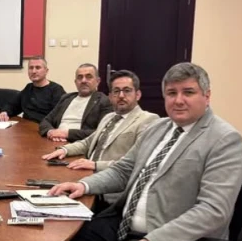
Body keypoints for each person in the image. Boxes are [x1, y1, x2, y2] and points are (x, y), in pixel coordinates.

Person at [48, 62, 242, 241]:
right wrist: (84, 185)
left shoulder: (224, 139)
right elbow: (124, 169)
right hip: (128, 221)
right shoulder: (159, 128)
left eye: (188, 92)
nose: (178, 100)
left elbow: (213, 211)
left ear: (207, 95)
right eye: (172, 93)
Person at [43, 69, 158, 209]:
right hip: (85, 178)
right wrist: (64, 150)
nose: (121, 96)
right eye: (116, 91)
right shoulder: (109, 117)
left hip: (110, 194)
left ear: (138, 95)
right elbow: (88, 142)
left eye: (127, 91)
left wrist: (95, 165)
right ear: (110, 96)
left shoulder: (148, 120)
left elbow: (136, 164)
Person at [38, 63, 112, 142]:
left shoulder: (104, 101)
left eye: (88, 77)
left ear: (97, 81)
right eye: (80, 77)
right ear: (75, 82)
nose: (83, 81)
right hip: (54, 140)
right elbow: (46, 121)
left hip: (79, 144)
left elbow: (103, 132)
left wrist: (67, 134)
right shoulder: (66, 98)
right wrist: (50, 132)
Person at [0, 57, 66, 123]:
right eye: (31, 68)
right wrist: (5, 112)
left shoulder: (56, 90)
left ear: (46, 71)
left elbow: (57, 118)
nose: (33, 71)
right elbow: (13, 105)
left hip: (43, 128)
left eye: (38, 68)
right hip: (25, 126)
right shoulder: (28, 88)